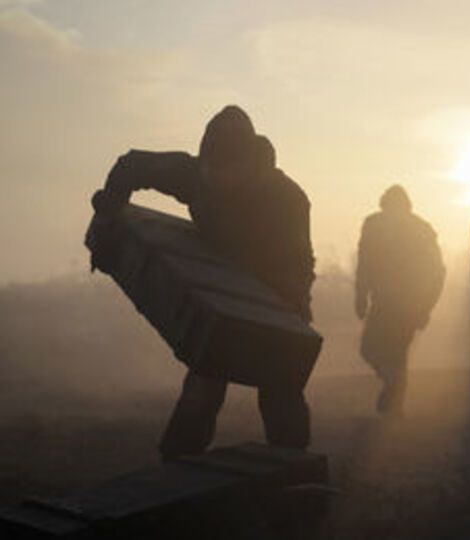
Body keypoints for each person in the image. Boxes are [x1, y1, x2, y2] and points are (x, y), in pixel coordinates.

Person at [91, 105, 315, 459]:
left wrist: (291, 308)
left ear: (247, 164)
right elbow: (131, 165)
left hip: (275, 295)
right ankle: (175, 470)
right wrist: (108, 219)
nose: (214, 177)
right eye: (209, 167)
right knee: (203, 385)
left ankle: (297, 476)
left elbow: (300, 267)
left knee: (280, 390)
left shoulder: (286, 199)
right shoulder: (196, 174)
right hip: (218, 295)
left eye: (225, 169)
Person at [355, 185, 445, 416]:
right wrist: (426, 307)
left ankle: (393, 396)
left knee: (373, 349)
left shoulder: (375, 224)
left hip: (391, 301)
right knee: (394, 353)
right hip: (405, 303)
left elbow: (365, 263)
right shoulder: (421, 228)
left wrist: (361, 294)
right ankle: (394, 393)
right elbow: (438, 272)